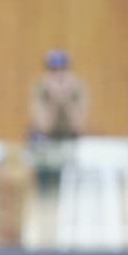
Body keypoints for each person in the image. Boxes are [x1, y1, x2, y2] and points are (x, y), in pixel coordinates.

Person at [28, 49, 88, 191]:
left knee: (75, 146)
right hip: (49, 137)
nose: (59, 75)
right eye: (54, 70)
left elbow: (78, 126)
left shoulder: (77, 89)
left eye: (63, 70)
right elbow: (44, 127)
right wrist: (54, 100)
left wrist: (66, 101)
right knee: (37, 140)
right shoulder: (40, 89)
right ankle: (45, 189)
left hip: (68, 136)